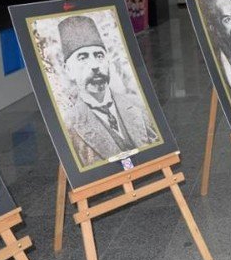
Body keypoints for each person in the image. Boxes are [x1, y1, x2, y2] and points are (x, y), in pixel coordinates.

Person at [58, 14, 158, 165]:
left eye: (99, 55)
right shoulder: (70, 125)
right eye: (83, 57)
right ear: (68, 69)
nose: (95, 65)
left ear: (107, 60)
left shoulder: (138, 105)